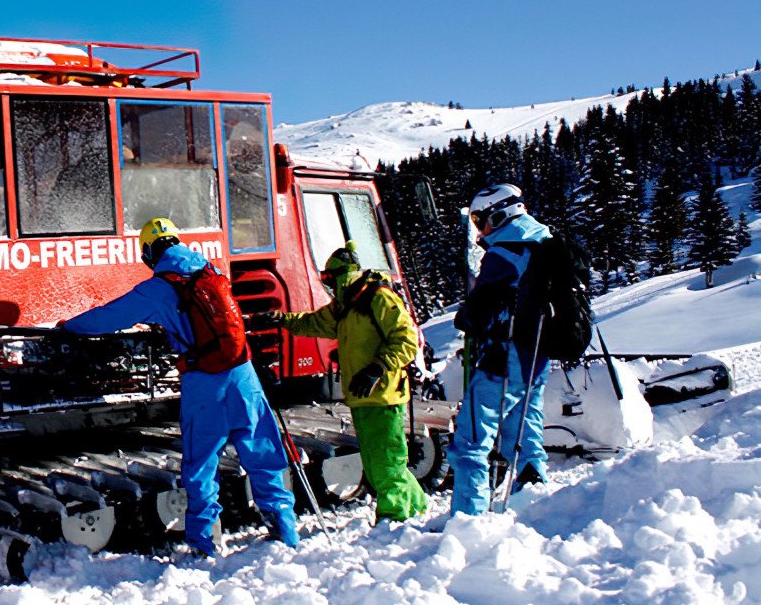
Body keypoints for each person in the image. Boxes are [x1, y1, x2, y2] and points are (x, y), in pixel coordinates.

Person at [60, 218, 300, 555]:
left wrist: (68, 327)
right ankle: (284, 532)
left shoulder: (159, 288)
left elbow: (109, 317)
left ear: (148, 253)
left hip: (205, 380)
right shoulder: (211, 272)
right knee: (263, 451)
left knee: (202, 463)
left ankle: (204, 544)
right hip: (244, 373)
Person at [249, 243, 427, 523]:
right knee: (377, 460)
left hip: (384, 396)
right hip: (362, 397)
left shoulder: (378, 299)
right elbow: (313, 323)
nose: (329, 286)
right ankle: (416, 506)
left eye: (329, 280)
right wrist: (281, 320)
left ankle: (394, 519)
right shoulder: (346, 306)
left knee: (385, 462)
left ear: (341, 276)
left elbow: (407, 340)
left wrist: (377, 368)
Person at [447, 183, 553, 516]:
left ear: (501, 212)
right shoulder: (542, 242)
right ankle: (534, 497)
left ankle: (468, 517)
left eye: (481, 219)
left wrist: (466, 317)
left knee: (470, 441)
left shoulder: (506, 251)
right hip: (536, 354)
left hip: (505, 359)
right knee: (525, 428)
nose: (480, 229)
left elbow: (481, 310)